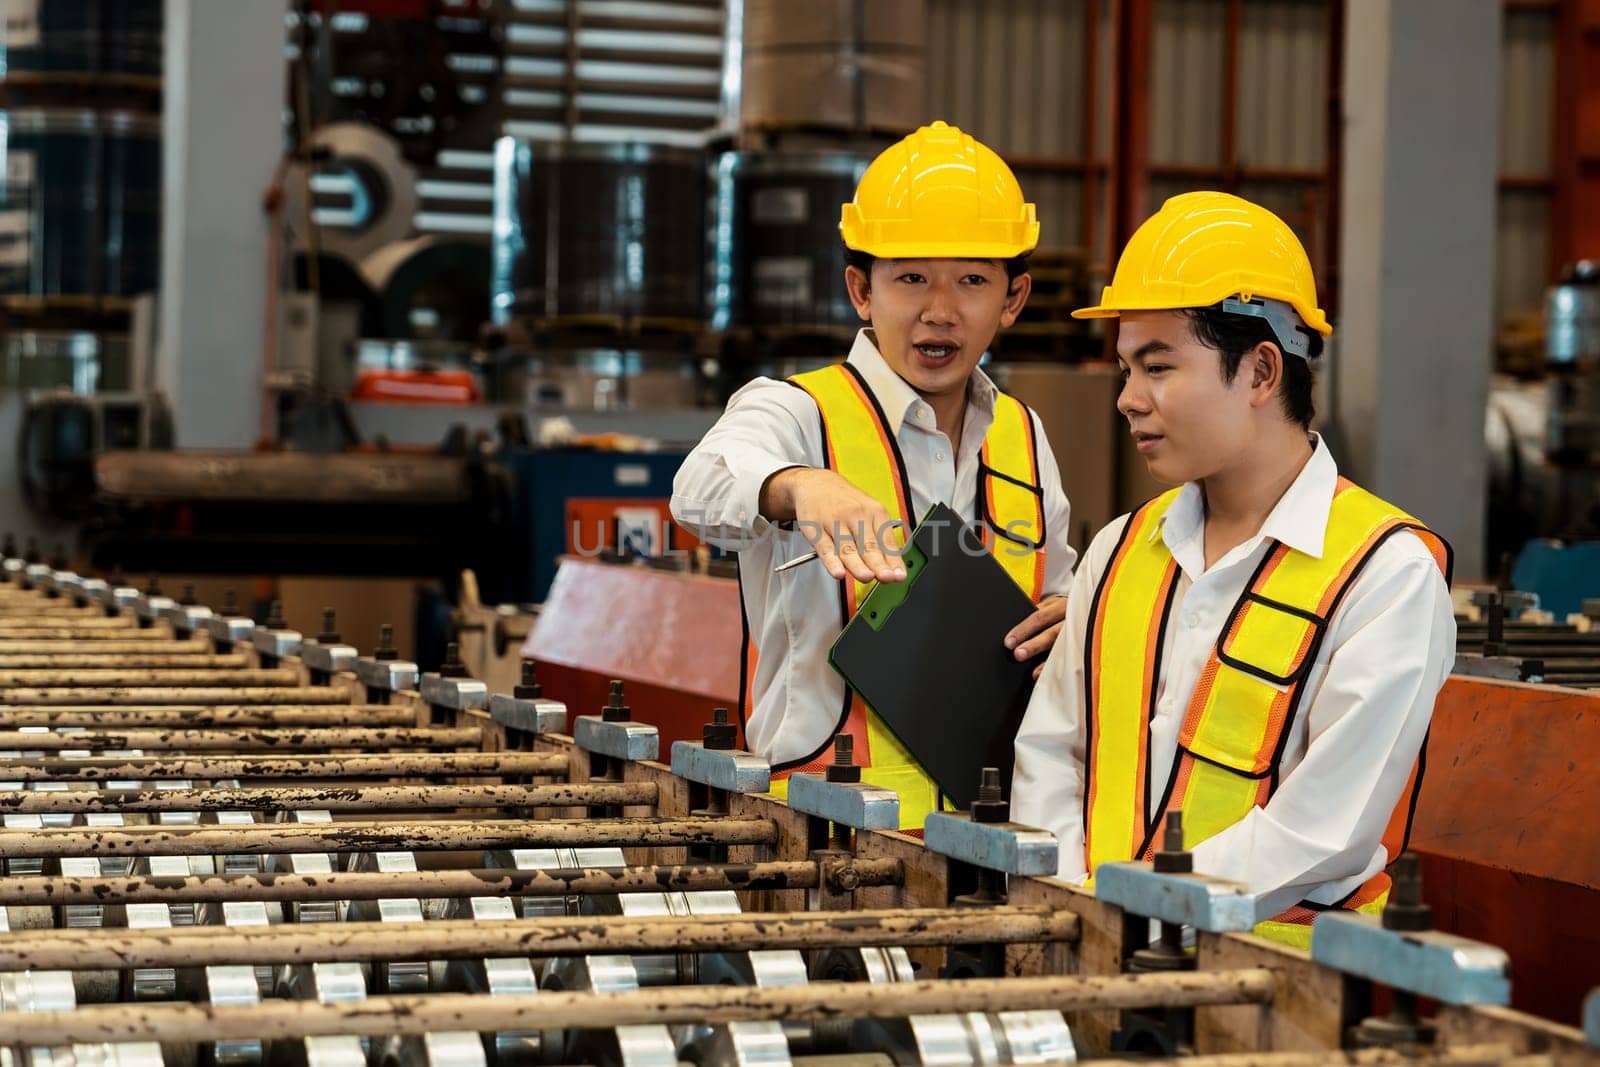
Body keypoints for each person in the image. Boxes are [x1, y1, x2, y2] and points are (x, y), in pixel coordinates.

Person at [1011, 191, 1455, 947]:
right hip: (1090, 958)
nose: (1127, 399)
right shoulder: (1120, 551)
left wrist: (1131, 911)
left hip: (1277, 996)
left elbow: (1322, 831)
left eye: (1157, 366)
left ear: (1259, 371)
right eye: (1125, 367)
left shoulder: (1385, 575)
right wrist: (1071, 906)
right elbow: (1053, 750)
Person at [672, 120, 1078, 828]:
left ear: (1012, 300)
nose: (939, 311)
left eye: (973, 281)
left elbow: (1057, 598)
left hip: (993, 837)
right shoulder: (797, 412)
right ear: (862, 290)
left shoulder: (1025, 436)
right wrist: (799, 486)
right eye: (911, 277)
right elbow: (698, 484)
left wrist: (1076, 620)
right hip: (818, 837)